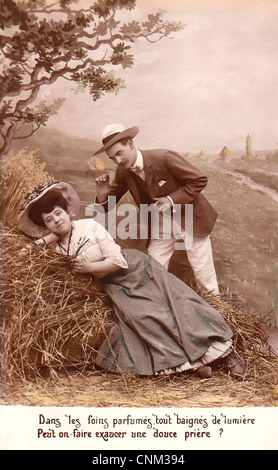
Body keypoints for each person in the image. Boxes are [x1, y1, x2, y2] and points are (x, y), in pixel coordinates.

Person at [18, 180, 246, 379]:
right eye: (49, 220)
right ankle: (194, 364)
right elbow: (28, 252)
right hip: (112, 286)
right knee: (143, 318)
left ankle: (223, 355)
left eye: (58, 213)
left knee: (171, 306)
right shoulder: (57, 248)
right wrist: (48, 239)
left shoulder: (89, 226)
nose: (57, 221)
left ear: (68, 212)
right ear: (45, 226)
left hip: (134, 269)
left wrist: (88, 267)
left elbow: (117, 261)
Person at [93, 124, 219, 295]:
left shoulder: (163, 157)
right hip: (160, 224)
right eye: (112, 158)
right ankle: (161, 312)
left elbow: (199, 179)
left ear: (131, 144)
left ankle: (215, 315)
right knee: (153, 273)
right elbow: (106, 207)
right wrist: (102, 193)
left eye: (119, 154)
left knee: (204, 274)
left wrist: (170, 200)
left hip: (189, 218)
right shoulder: (123, 172)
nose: (118, 161)